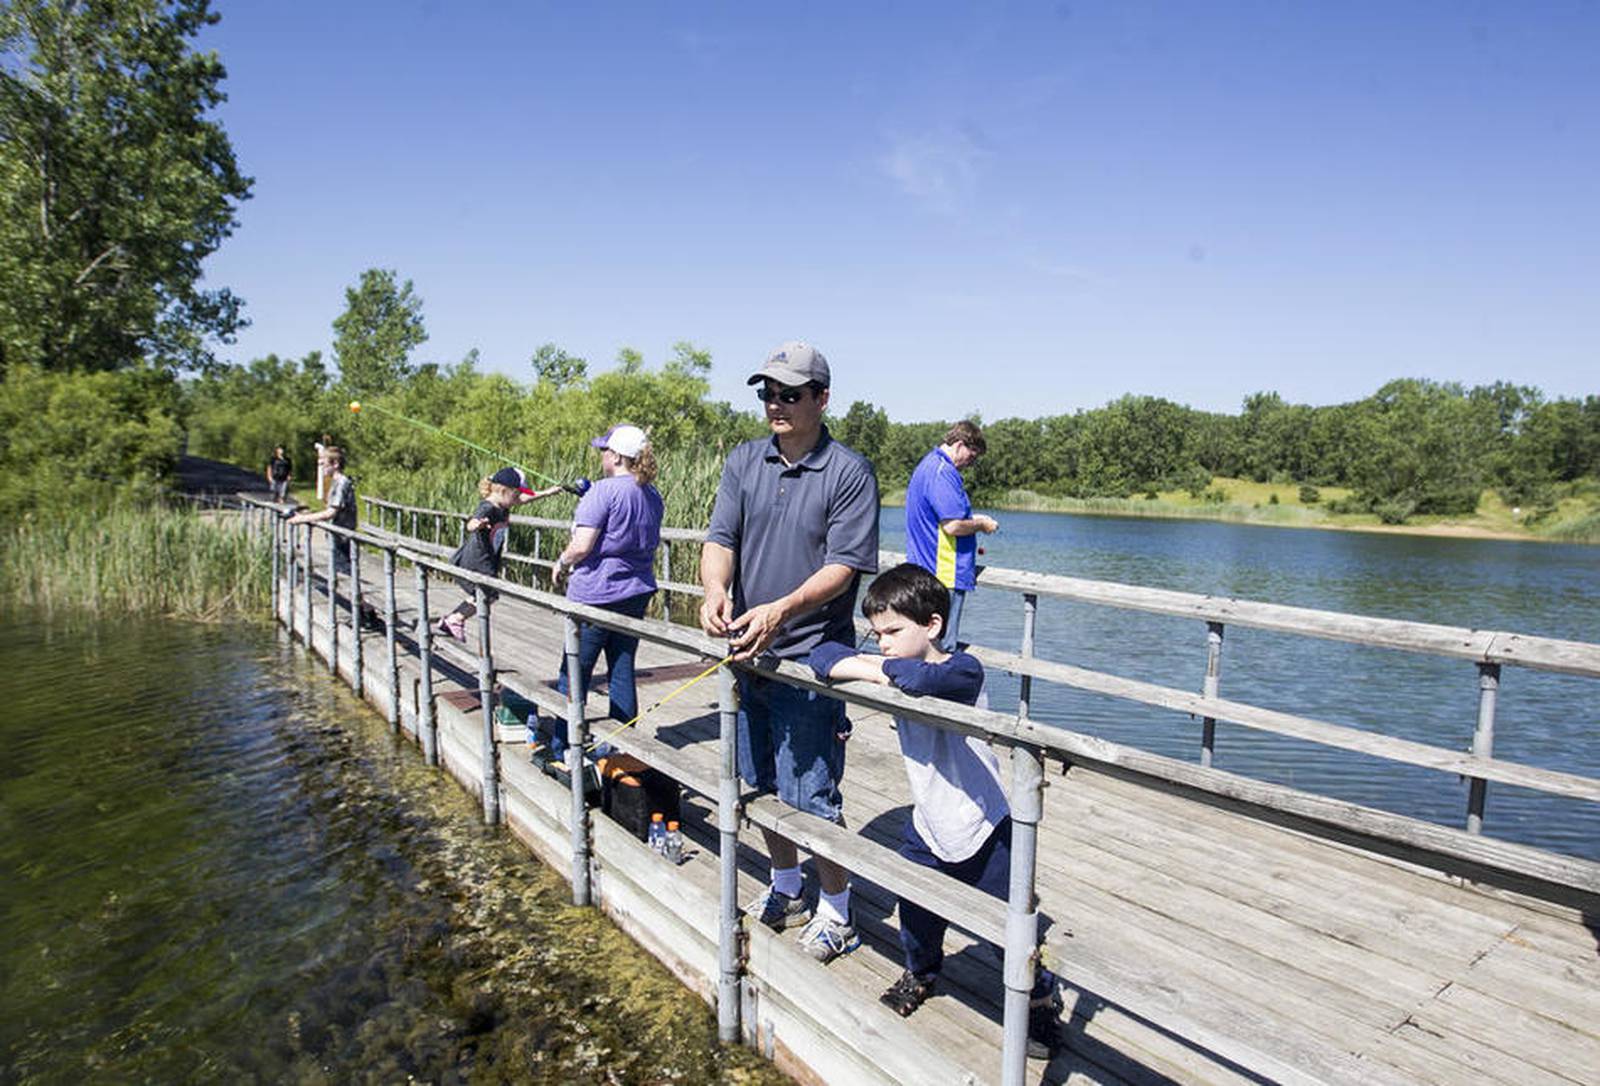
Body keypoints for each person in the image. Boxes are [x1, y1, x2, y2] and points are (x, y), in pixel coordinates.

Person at [808, 562, 1062, 1056]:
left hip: (984, 825)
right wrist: (877, 668)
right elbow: (823, 656)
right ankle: (921, 973)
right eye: (876, 632)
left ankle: (1038, 998)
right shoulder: (895, 662)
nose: (880, 642)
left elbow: (923, 682)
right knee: (916, 911)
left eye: (893, 632)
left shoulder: (964, 670)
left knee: (1006, 930)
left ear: (933, 626)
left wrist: (875, 672)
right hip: (928, 823)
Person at [699, 340, 879, 963]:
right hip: (749, 652)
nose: (775, 404)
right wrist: (714, 591)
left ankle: (838, 910)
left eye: (790, 394)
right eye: (767, 393)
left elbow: (844, 568)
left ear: (821, 400)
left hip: (810, 658)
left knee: (812, 795)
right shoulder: (745, 461)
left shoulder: (848, 472)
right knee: (762, 785)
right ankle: (785, 886)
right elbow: (720, 538)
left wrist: (780, 610)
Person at [540, 424, 664, 766]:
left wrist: (562, 562)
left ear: (616, 456)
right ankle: (621, 749)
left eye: (603, 451)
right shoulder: (652, 494)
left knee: (573, 672)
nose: (600, 456)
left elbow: (581, 547)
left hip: (595, 594)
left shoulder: (603, 492)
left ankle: (565, 748)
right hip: (636, 592)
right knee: (621, 669)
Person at [435, 466, 564, 642]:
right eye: (516, 494)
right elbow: (471, 523)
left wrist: (547, 492)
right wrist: (477, 525)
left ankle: (453, 620)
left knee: (484, 595)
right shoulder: (488, 507)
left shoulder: (504, 504)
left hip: (488, 558)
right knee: (487, 595)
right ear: (504, 490)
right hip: (478, 559)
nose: (518, 498)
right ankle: (455, 620)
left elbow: (525, 499)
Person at [904, 420, 997, 651]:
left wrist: (973, 517)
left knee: (924, 647)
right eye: (972, 456)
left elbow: (941, 517)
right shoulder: (942, 473)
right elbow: (953, 526)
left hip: (925, 572)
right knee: (941, 649)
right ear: (959, 445)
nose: (970, 463)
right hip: (943, 574)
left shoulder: (928, 466)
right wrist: (982, 525)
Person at [287, 446, 356, 573]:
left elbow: (331, 512)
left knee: (343, 574)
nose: (321, 466)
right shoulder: (335, 482)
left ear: (335, 464)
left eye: (324, 463)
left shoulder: (341, 483)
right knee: (337, 572)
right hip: (336, 535)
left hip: (342, 537)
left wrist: (302, 519)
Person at [314, 433, 333, 501]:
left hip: (328, 470)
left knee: (328, 483)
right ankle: (324, 497)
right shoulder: (321, 448)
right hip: (323, 469)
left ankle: (327, 497)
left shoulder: (330, 450)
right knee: (323, 483)